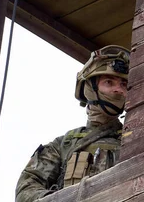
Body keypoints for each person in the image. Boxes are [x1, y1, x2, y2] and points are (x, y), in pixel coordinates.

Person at [15, 45, 130, 202]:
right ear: (90, 88)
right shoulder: (64, 144)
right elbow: (27, 189)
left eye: (124, 84)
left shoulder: (133, 138)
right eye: (109, 82)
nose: (118, 90)